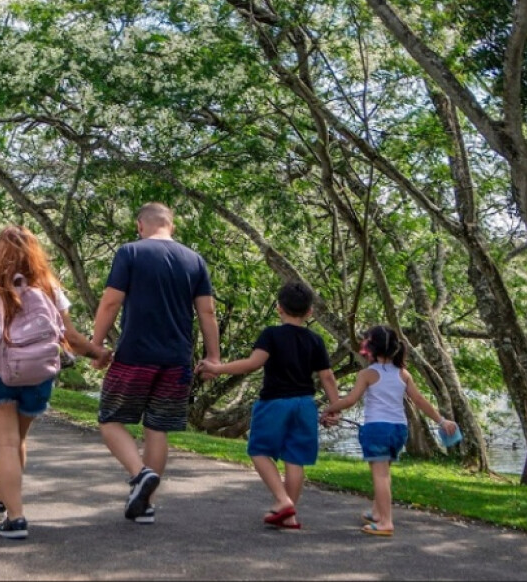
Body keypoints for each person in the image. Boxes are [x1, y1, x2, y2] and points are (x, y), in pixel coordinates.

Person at [0, 225, 108, 540]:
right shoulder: (49, 288)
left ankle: (16, 517)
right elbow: (71, 338)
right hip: (38, 373)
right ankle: (3, 496)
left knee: (4, 444)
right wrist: (99, 352)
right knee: (17, 443)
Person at [90, 202, 220, 524]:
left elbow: (111, 302)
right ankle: (145, 505)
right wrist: (213, 356)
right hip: (177, 360)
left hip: (135, 354)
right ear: (171, 226)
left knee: (110, 419)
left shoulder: (130, 253)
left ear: (140, 225)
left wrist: (96, 344)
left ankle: (140, 474)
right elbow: (207, 312)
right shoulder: (194, 259)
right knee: (157, 429)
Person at [196, 281, 341, 530]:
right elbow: (327, 377)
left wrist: (218, 369)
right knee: (295, 459)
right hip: (305, 405)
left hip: (275, 403)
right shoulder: (315, 340)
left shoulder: (271, 335)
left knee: (259, 451)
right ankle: (289, 516)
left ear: (278, 308)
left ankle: (283, 501)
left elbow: (253, 363)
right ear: (309, 313)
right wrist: (335, 407)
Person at [321, 324, 458, 537]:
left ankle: (386, 521)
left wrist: (328, 408)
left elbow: (350, 400)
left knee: (380, 475)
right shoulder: (403, 374)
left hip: (377, 428)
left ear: (371, 348)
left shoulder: (367, 374)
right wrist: (441, 421)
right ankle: (377, 513)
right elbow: (420, 400)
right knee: (384, 473)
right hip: (398, 430)